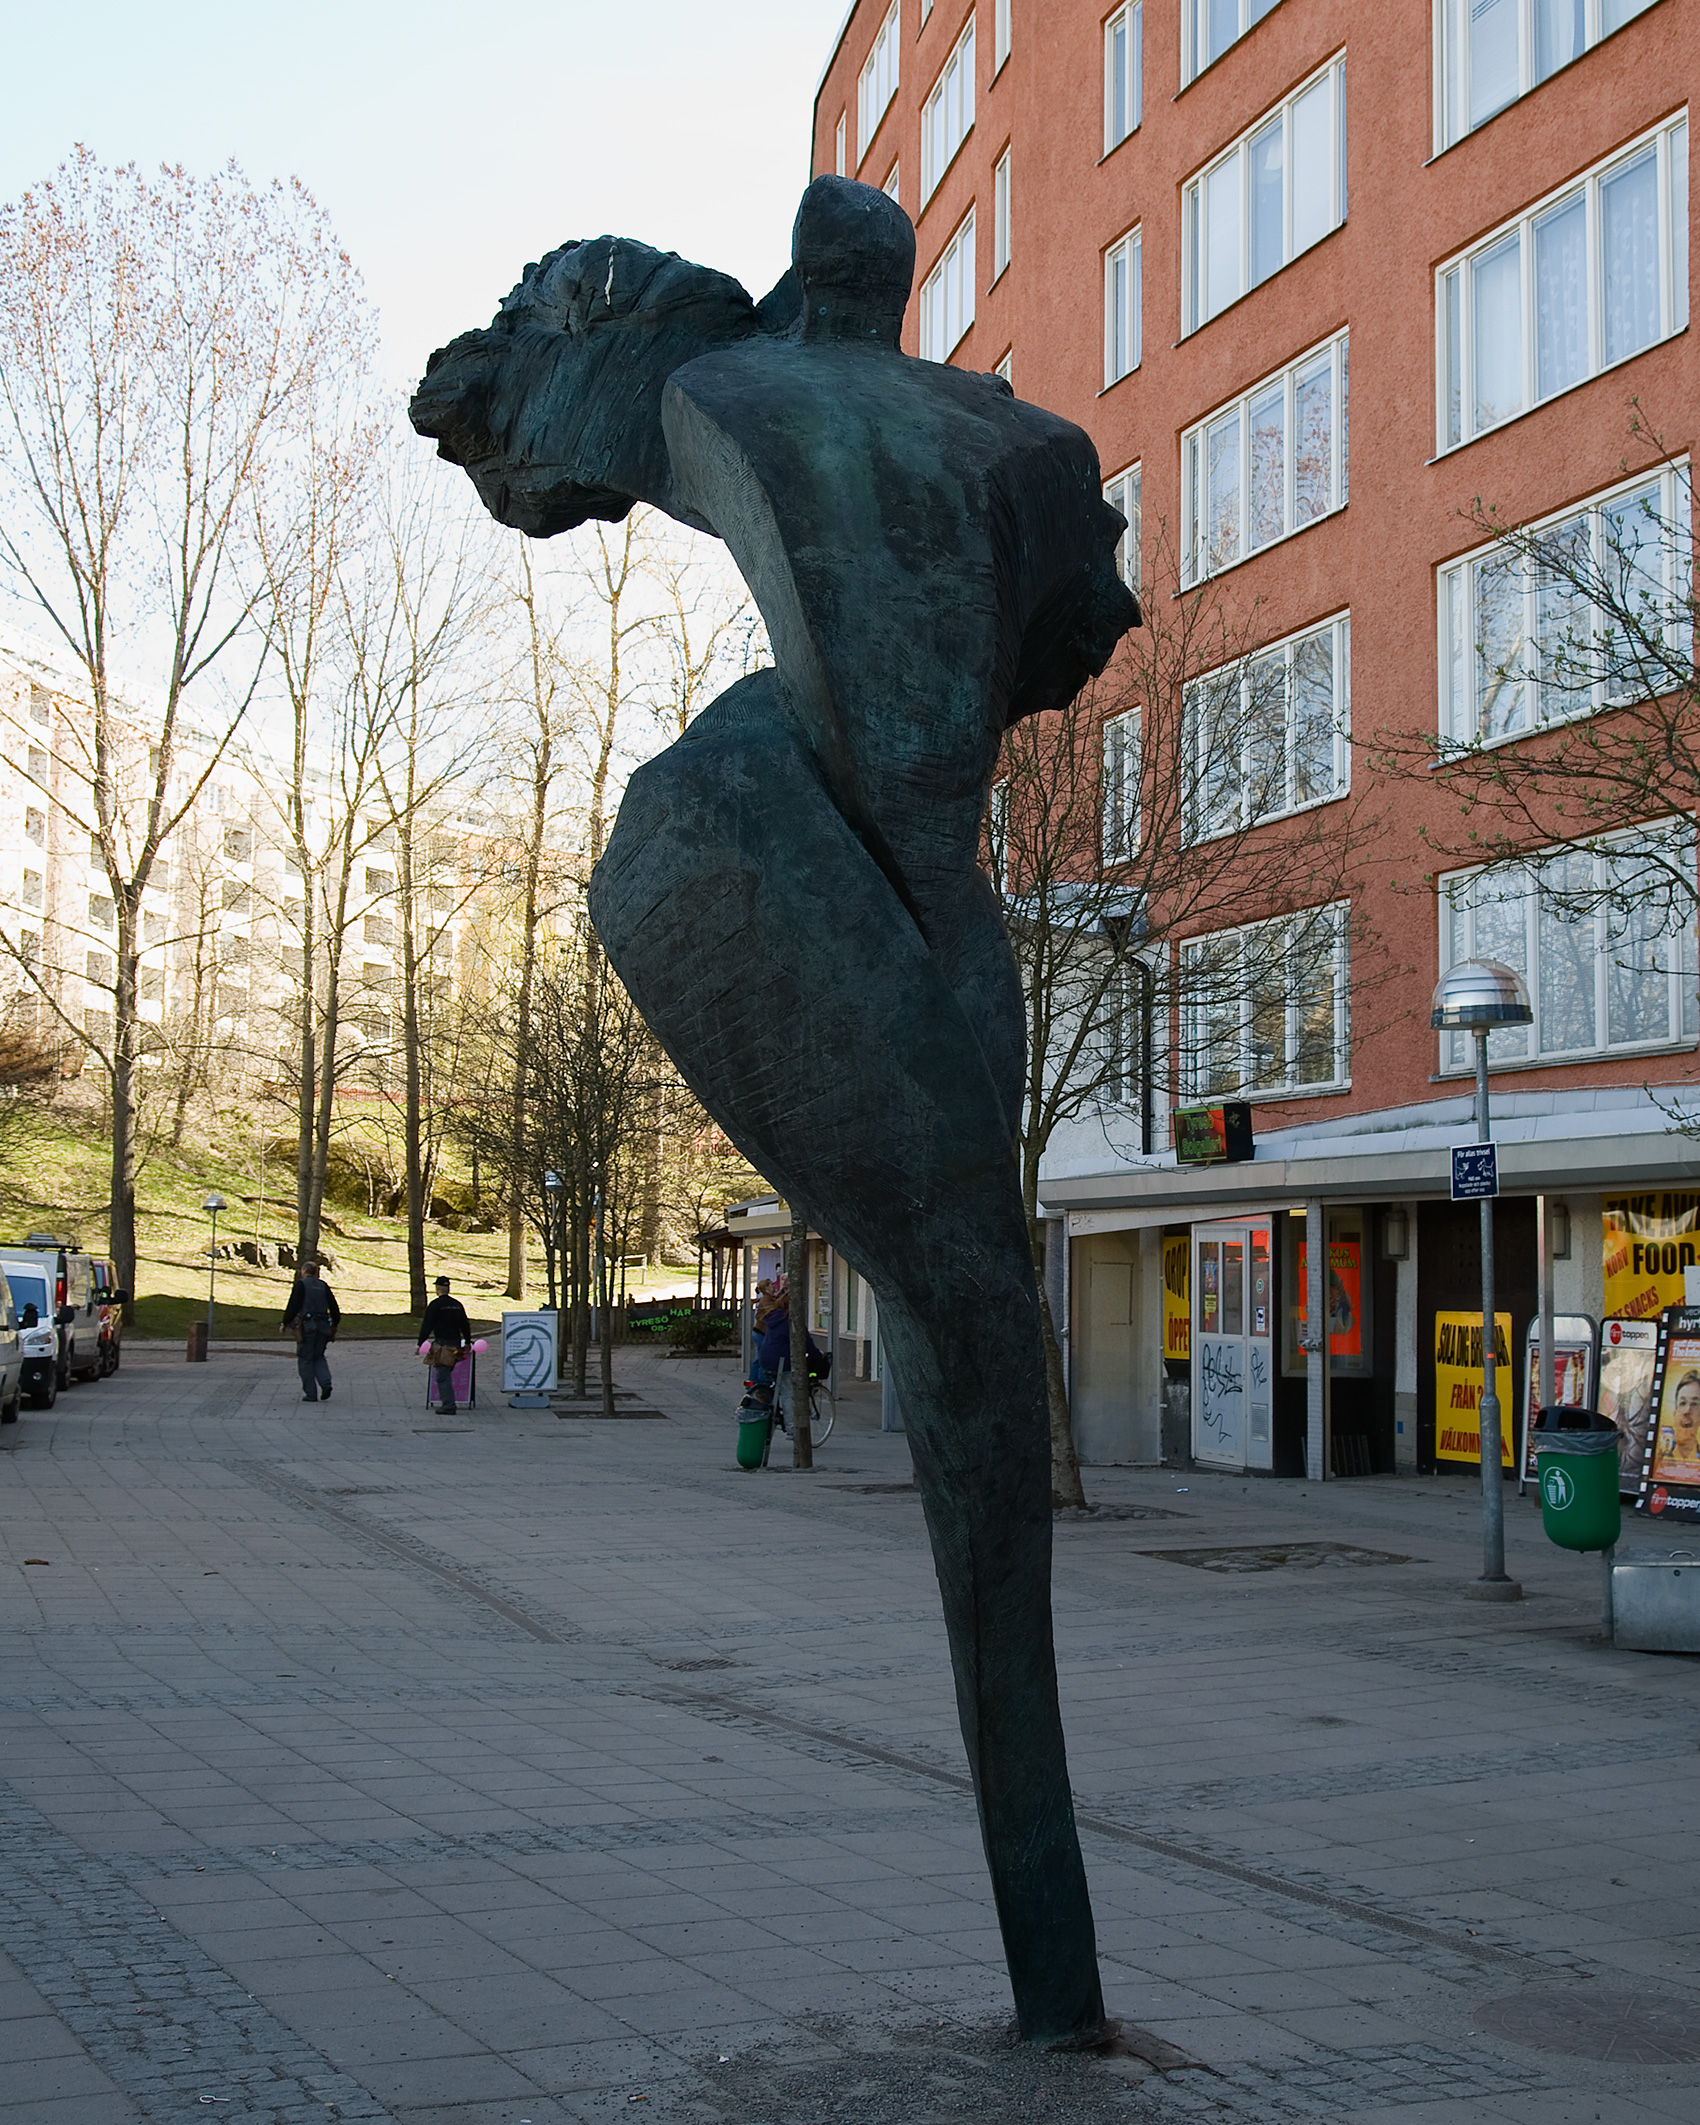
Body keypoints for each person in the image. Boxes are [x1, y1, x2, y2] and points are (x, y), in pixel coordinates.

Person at [282, 1262, 340, 1404]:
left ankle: (311, 1393)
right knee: (318, 1356)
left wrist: (285, 1322)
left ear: (304, 1271)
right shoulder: (323, 1286)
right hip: (323, 1326)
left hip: (307, 1327)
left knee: (305, 1359)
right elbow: (334, 1308)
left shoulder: (301, 1285)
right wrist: (334, 1325)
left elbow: (293, 1306)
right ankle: (326, 1383)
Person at [419, 1275, 471, 1414]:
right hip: (455, 1346)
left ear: (437, 1288)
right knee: (447, 1372)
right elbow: (465, 1325)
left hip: (442, 1345)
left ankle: (448, 1405)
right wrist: (467, 1341)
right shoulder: (457, 1305)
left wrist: (420, 1343)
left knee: (442, 1376)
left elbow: (427, 1325)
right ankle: (448, 1403)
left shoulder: (435, 1305)